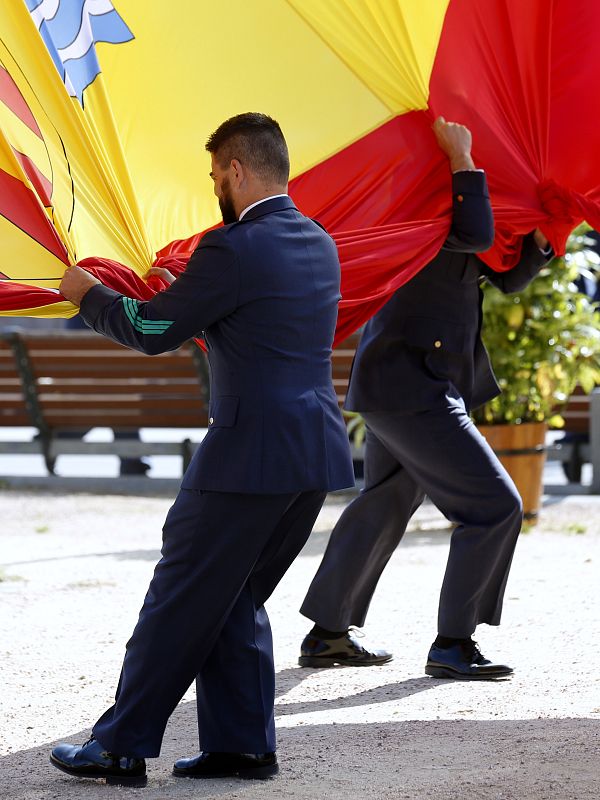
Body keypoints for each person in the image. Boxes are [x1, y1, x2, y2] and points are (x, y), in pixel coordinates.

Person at [49, 112, 354, 785]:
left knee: (182, 594)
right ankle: (242, 746)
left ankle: (119, 745)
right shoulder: (318, 242)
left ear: (236, 171)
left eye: (216, 174)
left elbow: (155, 329)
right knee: (233, 597)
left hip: (248, 455)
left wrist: (89, 295)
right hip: (312, 457)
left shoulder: (233, 248)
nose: (215, 186)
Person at [298, 118, 553, 679]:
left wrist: (539, 244)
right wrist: (463, 157)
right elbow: (477, 235)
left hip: (402, 383)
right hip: (413, 386)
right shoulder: (419, 206)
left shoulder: (445, 211)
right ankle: (453, 643)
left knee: (387, 500)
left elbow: (499, 271)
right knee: (495, 507)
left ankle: (328, 634)